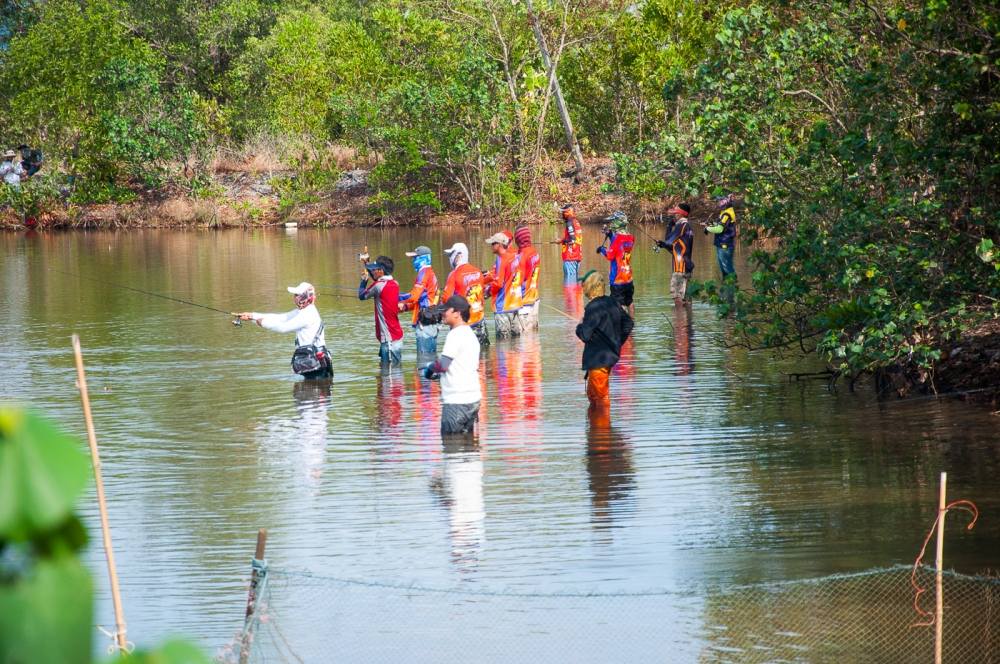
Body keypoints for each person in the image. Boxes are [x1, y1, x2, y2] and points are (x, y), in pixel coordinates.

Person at [235, 282, 332, 379]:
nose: (294, 297)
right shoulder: (303, 311)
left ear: (305, 297)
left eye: (297, 295)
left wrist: (262, 323)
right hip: (314, 361)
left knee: (314, 389)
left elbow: (283, 328)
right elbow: (281, 318)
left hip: (317, 363)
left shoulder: (307, 315)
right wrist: (252, 316)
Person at [422, 294, 482, 437]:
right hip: (473, 400)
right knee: (469, 449)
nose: (442, 313)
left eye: (446, 310)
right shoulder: (470, 334)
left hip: (456, 402)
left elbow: (443, 365)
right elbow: (460, 366)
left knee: (452, 447)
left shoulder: (455, 335)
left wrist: (430, 369)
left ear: (457, 313)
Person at [575, 270, 634, 410]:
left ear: (590, 286)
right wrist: (617, 342)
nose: (582, 286)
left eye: (584, 283)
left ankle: (603, 430)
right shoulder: (612, 302)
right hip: (608, 357)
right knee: (593, 395)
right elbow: (628, 323)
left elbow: (585, 335)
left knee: (600, 399)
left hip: (598, 361)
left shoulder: (592, 307)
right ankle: (595, 429)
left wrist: (579, 326)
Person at [359, 255, 404, 366]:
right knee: (393, 374)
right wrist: (366, 264)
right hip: (396, 336)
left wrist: (363, 281)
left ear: (381, 271)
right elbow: (376, 277)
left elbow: (361, 295)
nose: (373, 271)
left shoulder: (378, 286)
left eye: (375, 269)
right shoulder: (395, 283)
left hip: (388, 340)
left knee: (389, 376)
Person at [442, 242, 489, 346]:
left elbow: (446, 298)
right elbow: (483, 293)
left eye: (451, 255)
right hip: (480, 322)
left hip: (463, 325)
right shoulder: (478, 272)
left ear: (458, 256)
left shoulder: (454, 274)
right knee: (483, 356)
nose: (450, 258)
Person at [399, 245, 440, 355]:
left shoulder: (424, 273)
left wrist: (397, 297)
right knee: (430, 358)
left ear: (423, 258)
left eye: (415, 258)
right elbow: (420, 300)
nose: (413, 261)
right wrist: (406, 306)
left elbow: (414, 296)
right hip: (431, 320)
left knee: (424, 358)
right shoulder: (431, 273)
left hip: (424, 321)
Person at [483, 230, 522, 339]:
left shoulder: (501, 260)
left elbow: (499, 283)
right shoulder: (514, 257)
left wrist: (487, 291)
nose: (491, 246)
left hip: (503, 308)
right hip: (515, 305)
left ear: (499, 245)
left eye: (493, 244)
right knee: (516, 342)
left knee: (503, 343)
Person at [596, 211, 636, 315]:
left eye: (612, 222)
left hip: (618, 279)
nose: (611, 224)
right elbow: (620, 247)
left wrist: (602, 250)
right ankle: (632, 323)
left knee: (619, 304)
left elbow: (610, 256)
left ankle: (623, 325)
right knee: (630, 301)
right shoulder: (631, 238)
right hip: (628, 277)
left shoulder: (617, 240)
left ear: (617, 223)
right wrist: (610, 235)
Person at [656, 203, 694, 305]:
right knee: (687, 300)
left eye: (676, 213)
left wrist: (669, 226)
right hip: (687, 266)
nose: (674, 215)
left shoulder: (682, 225)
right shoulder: (687, 226)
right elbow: (674, 246)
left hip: (680, 268)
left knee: (677, 298)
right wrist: (663, 244)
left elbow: (668, 241)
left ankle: (679, 319)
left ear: (681, 214)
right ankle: (688, 320)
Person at [514, 225, 541, 331]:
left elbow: (519, 280)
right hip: (535, 298)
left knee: (526, 339)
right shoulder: (535, 252)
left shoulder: (522, 256)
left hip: (525, 302)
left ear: (518, 239)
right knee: (534, 338)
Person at [705, 194, 737, 280]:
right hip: (723, 244)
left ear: (726, 201)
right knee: (725, 270)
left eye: (720, 200)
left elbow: (720, 229)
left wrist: (708, 229)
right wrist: (712, 224)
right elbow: (722, 225)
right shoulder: (725, 212)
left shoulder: (726, 214)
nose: (718, 202)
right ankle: (728, 290)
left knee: (727, 270)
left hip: (725, 245)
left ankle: (733, 288)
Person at [558, 203, 584, 286]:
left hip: (570, 257)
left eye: (564, 212)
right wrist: (562, 240)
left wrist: (562, 241)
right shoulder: (576, 222)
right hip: (577, 255)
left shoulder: (569, 223)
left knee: (570, 285)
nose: (563, 214)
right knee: (575, 282)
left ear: (569, 212)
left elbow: (572, 240)